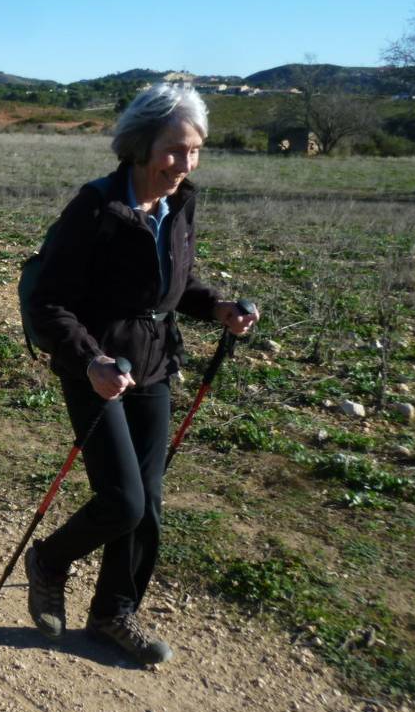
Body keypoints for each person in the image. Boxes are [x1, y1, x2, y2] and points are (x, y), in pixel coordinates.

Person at [22, 84, 258, 665]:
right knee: (123, 500)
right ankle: (50, 560)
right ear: (140, 146)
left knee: (147, 505)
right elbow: (49, 301)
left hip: (153, 368)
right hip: (96, 369)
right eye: (174, 149)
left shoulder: (181, 204)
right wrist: (92, 360)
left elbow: (173, 287)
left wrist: (219, 308)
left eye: (194, 150)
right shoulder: (96, 207)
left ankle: (112, 613)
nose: (184, 163)